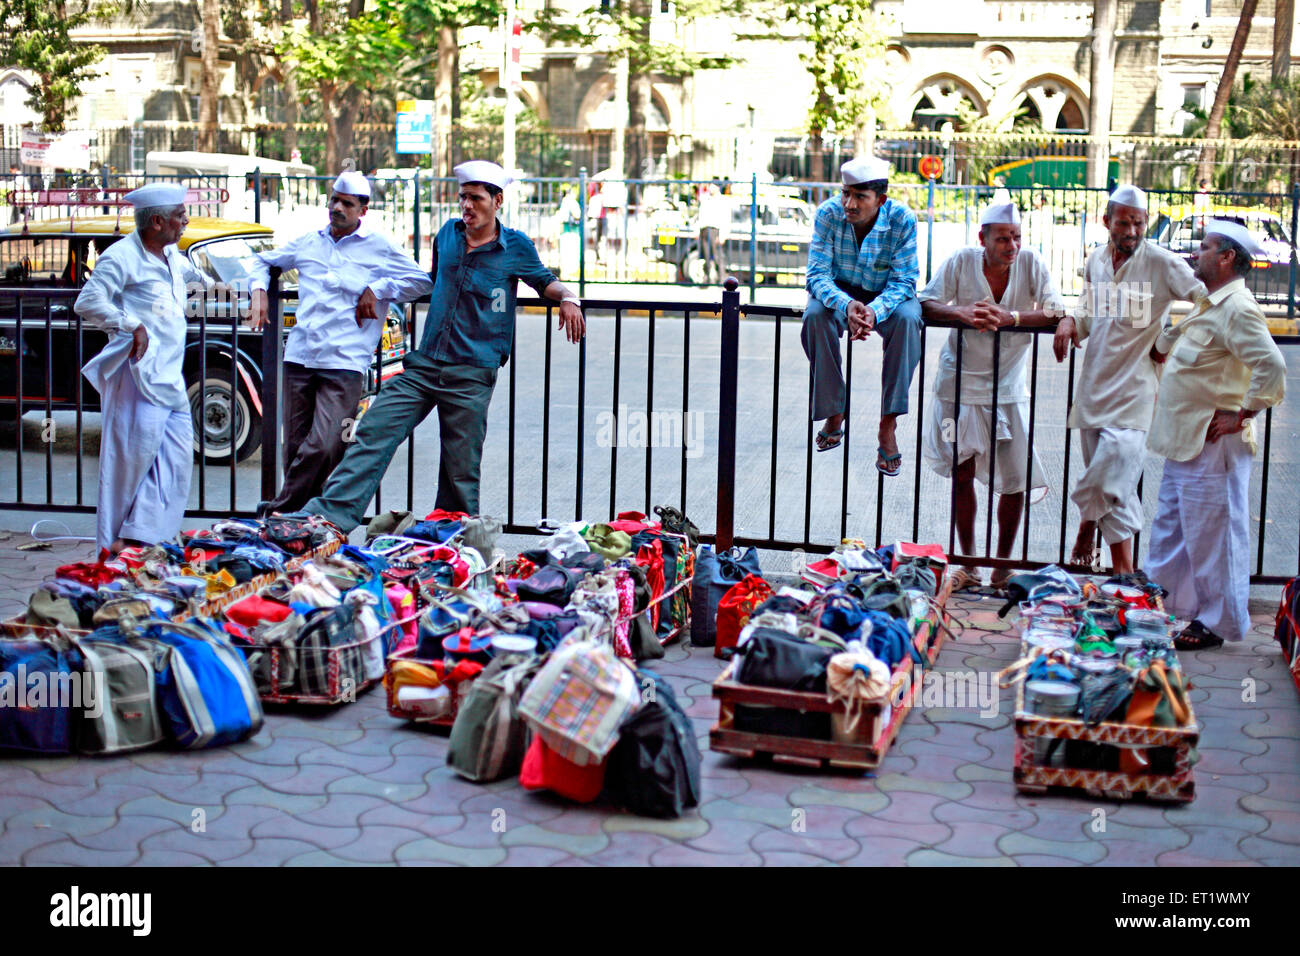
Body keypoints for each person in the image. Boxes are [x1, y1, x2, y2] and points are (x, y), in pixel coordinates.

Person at [301, 160, 585, 528]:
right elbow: (432, 283)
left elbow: (545, 281)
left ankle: (453, 542)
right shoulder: (447, 236)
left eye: (476, 199)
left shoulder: (515, 246)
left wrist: (569, 298)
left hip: (472, 371)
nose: (467, 206)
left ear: (497, 201)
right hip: (425, 365)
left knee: (460, 466)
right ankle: (327, 517)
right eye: (463, 198)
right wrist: (379, 288)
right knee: (372, 431)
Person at [247, 171, 434, 516]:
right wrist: (259, 291)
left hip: (344, 362)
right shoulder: (309, 241)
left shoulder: (378, 245)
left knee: (327, 443)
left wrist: (378, 290)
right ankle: (305, 527)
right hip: (301, 356)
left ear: (363, 209)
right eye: (334, 200)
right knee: (296, 448)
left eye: (347, 203)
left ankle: (281, 510)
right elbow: (261, 260)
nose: (337, 207)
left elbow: (421, 282)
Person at [1146, 220, 1286, 650]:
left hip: (1213, 445)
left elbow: (1273, 367)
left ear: (1227, 258)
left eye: (1205, 248)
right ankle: (1168, 609)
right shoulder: (1211, 301)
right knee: (1171, 531)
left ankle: (1215, 624)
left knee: (1214, 537)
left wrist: (1241, 414)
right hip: (1185, 440)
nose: (1196, 253)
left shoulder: (1238, 308)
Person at [1052, 184, 1205, 574]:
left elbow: (1207, 302)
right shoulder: (1096, 261)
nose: (1133, 231)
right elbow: (1089, 315)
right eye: (1124, 223)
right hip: (1093, 393)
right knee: (1116, 490)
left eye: (1139, 223)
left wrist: (1168, 338)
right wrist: (1070, 321)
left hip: (1137, 393)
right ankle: (1125, 574)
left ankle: (1086, 526)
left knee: (1110, 478)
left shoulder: (1161, 262)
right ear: (1107, 222)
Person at [919, 203, 1066, 589]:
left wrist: (1010, 318)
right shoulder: (961, 262)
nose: (1012, 245)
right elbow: (925, 302)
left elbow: (1056, 310)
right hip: (958, 386)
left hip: (1009, 389)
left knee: (1016, 478)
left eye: (1016, 236)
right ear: (982, 239)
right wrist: (963, 313)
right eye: (1002, 238)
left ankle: (1002, 565)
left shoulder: (1032, 263)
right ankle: (968, 564)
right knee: (961, 471)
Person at [74, 183, 210, 554]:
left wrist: (256, 289)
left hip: (170, 382)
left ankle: (140, 539)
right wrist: (129, 324)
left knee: (177, 461)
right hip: (137, 378)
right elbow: (87, 301)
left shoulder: (174, 258)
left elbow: (209, 285)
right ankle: (113, 553)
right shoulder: (121, 258)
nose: (186, 220)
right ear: (156, 221)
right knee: (128, 469)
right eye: (180, 215)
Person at [801, 156, 922, 475]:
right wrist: (846, 305)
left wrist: (874, 310)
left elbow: (906, 279)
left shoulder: (902, 219)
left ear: (881, 200)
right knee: (814, 314)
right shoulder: (828, 214)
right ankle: (834, 410)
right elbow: (816, 275)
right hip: (840, 293)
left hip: (886, 297)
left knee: (910, 320)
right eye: (845, 193)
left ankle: (888, 424)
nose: (849, 204)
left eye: (859, 196)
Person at [696, 183, 730, 284]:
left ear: (718, 187)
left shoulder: (722, 200)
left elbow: (726, 218)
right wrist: (697, 230)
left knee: (717, 256)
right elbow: (700, 215)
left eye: (713, 186)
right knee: (705, 255)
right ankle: (706, 279)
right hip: (704, 229)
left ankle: (721, 279)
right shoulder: (706, 199)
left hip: (715, 230)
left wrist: (723, 234)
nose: (710, 188)